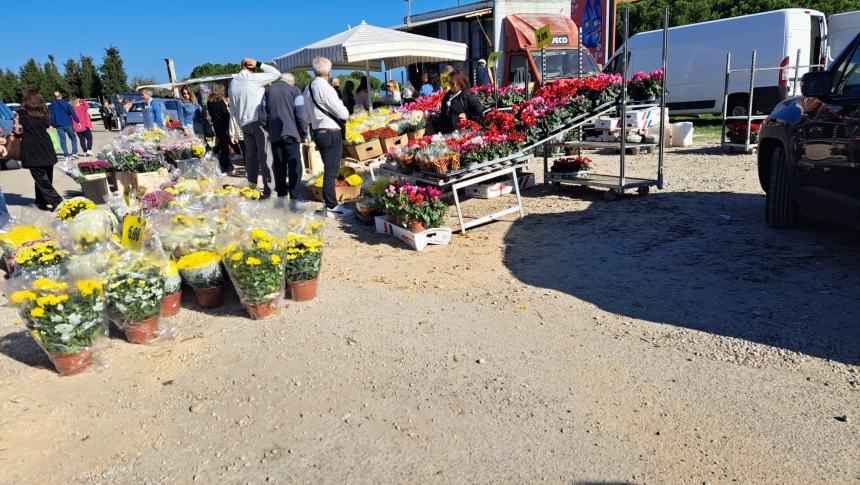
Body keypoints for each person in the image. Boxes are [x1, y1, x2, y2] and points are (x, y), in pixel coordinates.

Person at [304, 57, 352, 218]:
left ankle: (330, 204)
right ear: (329, 71)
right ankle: (331, 206)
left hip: (317, 131)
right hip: (330, 131)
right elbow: (342, 112)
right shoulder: (325, 88)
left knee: (328, 169)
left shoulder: (308, 88)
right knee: (331, 171)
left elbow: (306, 116)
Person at [229, 57, 281, 198]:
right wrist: (259, 64)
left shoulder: (233, 83)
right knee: (265, 157)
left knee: (250, 157)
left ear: (240, 66)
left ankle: (252, 187)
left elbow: (232, 109)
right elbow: (277, 74)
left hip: (244, 124)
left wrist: (240, 123)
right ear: (252, 66)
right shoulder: (253, 78)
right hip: (258, 122)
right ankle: (270, 191)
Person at [263, 72, 308, 200]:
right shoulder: (295, 91)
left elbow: (262, 114)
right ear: (291, 81)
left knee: (279, 166)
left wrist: (269, 127)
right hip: (292, 134)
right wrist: (304, 133)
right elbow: (300, 115)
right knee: (295, 167)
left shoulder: (267, 91)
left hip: (275, 135)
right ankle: (295, 197)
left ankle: (281, 196)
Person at [15, 91, 63, 211]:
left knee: (41, 179)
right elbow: (48, 125)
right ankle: (41, 202)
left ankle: (57, 201)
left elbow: (17, 131)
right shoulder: (44, 112)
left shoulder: (20, 114)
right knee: (46, 176)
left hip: (32, 149)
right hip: (46, 146)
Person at [439, 69, 484, 134]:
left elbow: (481, 112)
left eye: (453, 84)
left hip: (462, 135)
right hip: (448, 135)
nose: (451, 87)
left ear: (460, 83)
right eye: (450, 84)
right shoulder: (448, 96)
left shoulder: (467, 96)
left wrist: (468, 117)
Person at [206, 85, 235, 175]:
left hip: (216, 126)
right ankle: (226, 167)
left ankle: (225, 165)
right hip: (225, 126)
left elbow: (211, 115)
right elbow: (226, 114)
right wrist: (226, 105)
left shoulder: (209, 102)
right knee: (225, 147)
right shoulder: (221, 102)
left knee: (223, 146)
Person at [48, 91, 80, 162]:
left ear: (54, 97)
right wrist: (78, 121)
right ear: (61, 96)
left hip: (58, 125)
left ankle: (66, 155)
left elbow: (49, 116)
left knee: (63, 140)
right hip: (67, 123)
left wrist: (50, 124)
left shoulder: (51, 105)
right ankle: (74, 153)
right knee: (73, 138)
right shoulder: (66, 104)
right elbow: (72, 113)